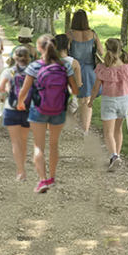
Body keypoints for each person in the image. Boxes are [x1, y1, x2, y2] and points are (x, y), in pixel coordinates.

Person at [17, 34, 80, 193]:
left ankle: (42, 180)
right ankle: (52, 177)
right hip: (58, 110)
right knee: (53, 145)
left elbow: (24, 90)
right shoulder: (65, 66)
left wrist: (19, 103)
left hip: (38, 109)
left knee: (39, 146)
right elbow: (75, 89)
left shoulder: (34, 66)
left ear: (39, 48)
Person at [95, 38, 128, 169]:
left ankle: (113, 156)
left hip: (109, 101)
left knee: (108, 132)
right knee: (118, 130)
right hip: (124, 102)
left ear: (107, 49)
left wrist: (90, 100)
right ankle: (117, 155)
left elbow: (96, 87)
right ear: (121, 49)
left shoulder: (103, 68)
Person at [0, 45, 35, 180]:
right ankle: (23, 164)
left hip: (11, 108)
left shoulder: (8, 71)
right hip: (27, 109)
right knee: (24, 140)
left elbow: (0, 88)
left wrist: (8, 92)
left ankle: (21, 171)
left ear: (14, 58)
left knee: (15, 142)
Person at [68, 10, 101, 134]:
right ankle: (85, 130)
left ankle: (72, 127)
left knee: (72, 100)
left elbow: (65, 52)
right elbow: (101, 51)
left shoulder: (70, 34)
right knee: (86, 101)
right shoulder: (93, 34)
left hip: (74, 69)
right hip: (89, 70)